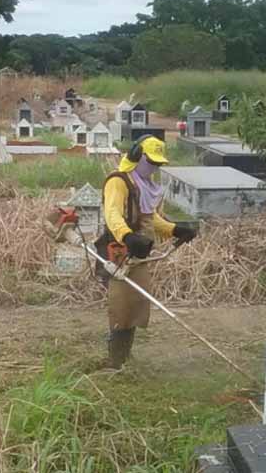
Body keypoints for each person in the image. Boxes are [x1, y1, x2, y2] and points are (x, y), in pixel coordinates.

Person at [97, 135, 197, 369]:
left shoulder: (143, 184)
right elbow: (112, 214)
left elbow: (150, 219)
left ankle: (124, 357)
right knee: (121, 307)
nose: (154, 168)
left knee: (135, 304)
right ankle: (115, 362)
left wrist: (175, 230)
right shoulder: (118, 181)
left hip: (138, 253)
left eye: (157, 164)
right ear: (136, 156)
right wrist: (128, 236)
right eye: (150, 162)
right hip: (119, 252)